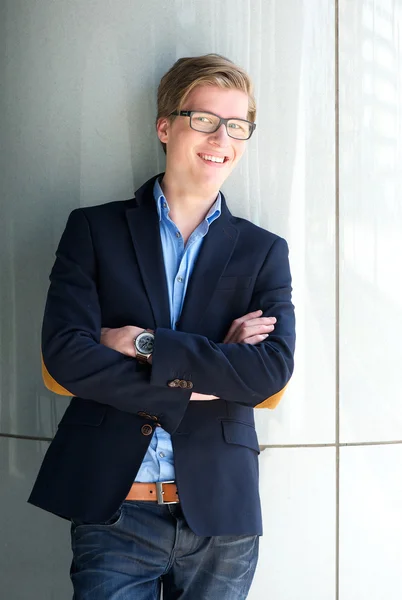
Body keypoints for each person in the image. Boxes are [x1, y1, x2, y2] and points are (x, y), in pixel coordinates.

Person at [29, 53, 296, 599]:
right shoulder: (93, 230)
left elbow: (268, 371)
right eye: (204, 119)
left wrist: (145, 345)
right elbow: (67, 354)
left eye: (237, 125)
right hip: (115, 508)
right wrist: (205, 375)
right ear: (165, 126)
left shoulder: (263, 250)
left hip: (222, 515)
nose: (222, 137)